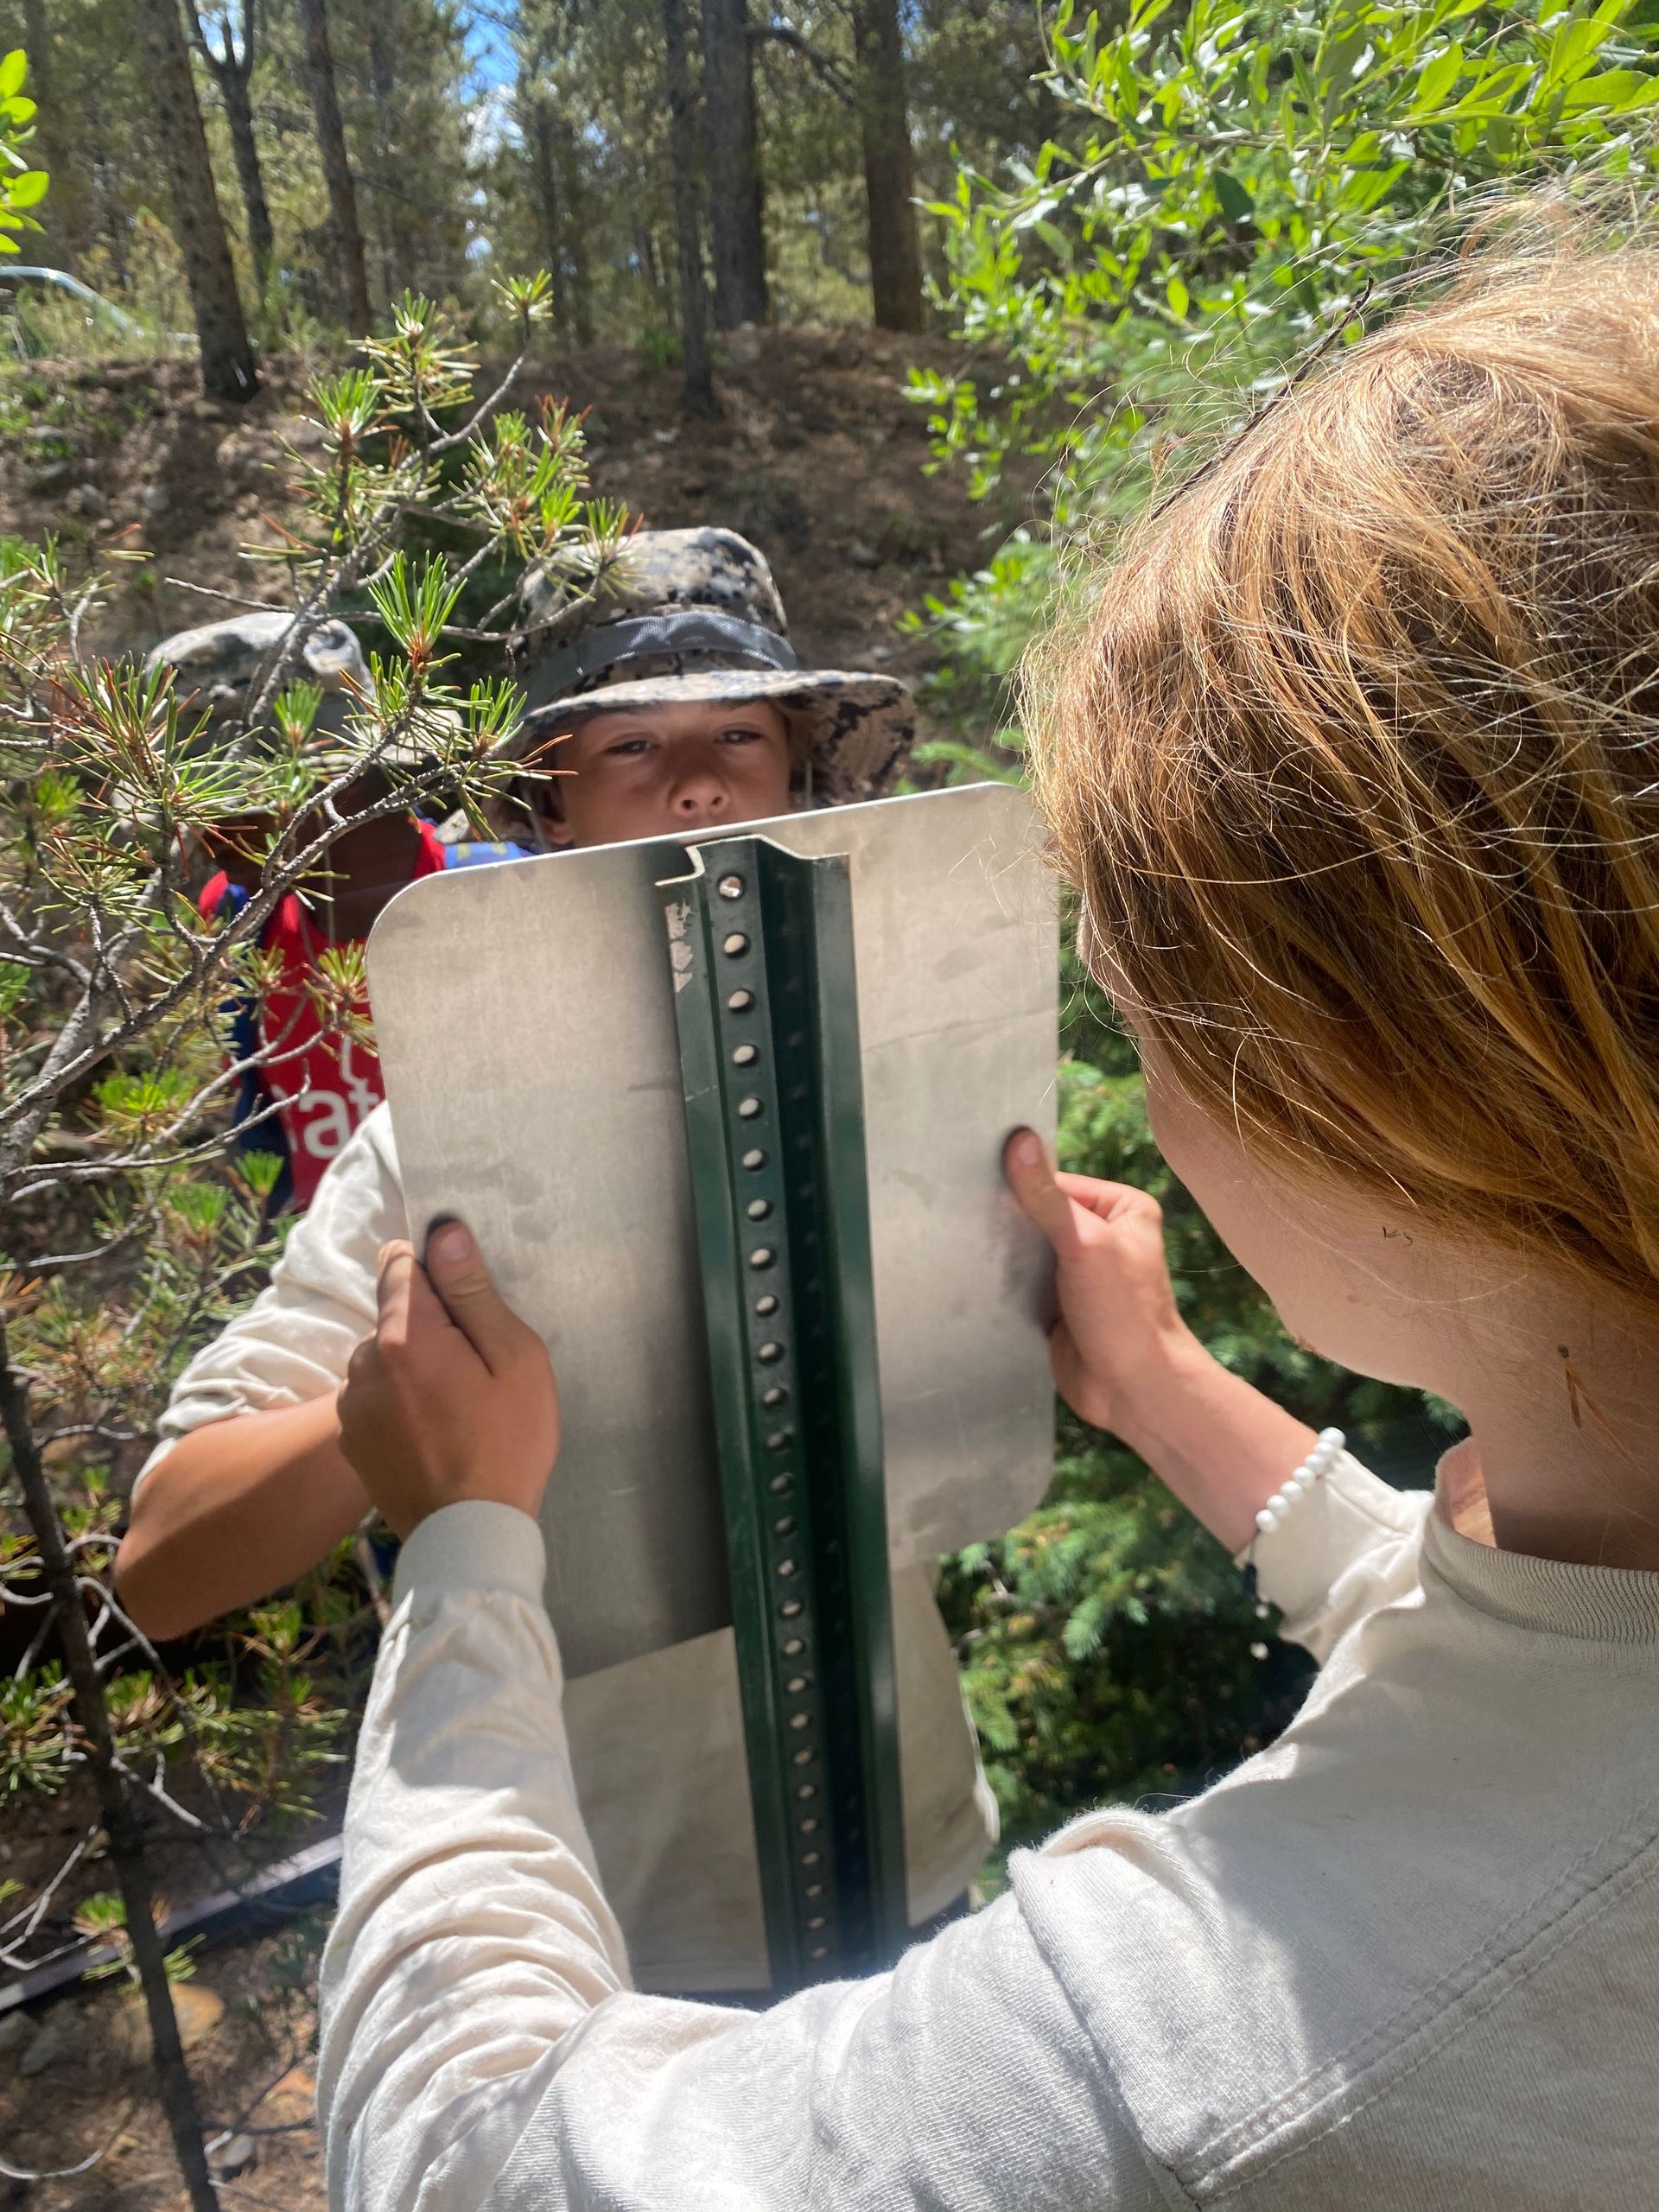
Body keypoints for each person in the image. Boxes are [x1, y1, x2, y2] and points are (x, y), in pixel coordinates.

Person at [319, 238, 1659, 2209]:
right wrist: (1170, 1387)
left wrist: (457, 1534)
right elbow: (1541, 1705)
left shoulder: (1202, 2049)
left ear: (1359, 1082)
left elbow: (465, 2163)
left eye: (1151, 988)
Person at [115, 528, 998, 1999]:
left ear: (797, 779)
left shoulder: (889, 1063)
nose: (701, 780)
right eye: (631, 747)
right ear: (553, 810)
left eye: (739, 735)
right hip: (606, 1944)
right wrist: (383, 1419)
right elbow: (160, 1565)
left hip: (918, 1877)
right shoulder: (443, 1134)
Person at [149, 609, 527, 1210]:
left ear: (342, 787)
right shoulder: (237, 916)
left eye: (234, 801)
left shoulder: (511, 896)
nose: (206, 834)